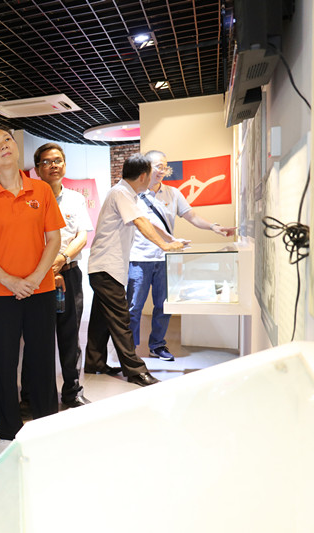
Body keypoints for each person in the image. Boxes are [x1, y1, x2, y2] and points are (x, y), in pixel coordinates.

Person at [0, 126, 64, 456]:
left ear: (15, 147)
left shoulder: (41, 190)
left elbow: (54, 239)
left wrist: (34, 278)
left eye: (7, 139)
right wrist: (10, 281)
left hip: (40, 289)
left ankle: (47, 426)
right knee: (5, 365)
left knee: (42, 361)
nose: (3, 146)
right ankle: (7, 431)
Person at [85, 154, 185, 387]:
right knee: (122, 321)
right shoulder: (121, 193)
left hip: (107, 268)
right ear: (142, 176)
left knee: (101, 320)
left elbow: (147, 222)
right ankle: (135, 370)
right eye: (151, 174)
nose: (153, 178)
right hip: (106, 268)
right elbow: (140, 222)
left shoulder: (128, 195)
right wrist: (165, 246)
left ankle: (95, 362)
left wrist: (170, 239)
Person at [128, 150, 236, 361]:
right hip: (139, 258)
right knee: (134, 306)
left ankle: (157, 345)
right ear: (146, 167)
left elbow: (192, 216)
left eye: (165, 167)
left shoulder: (173, 193)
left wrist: (214, 227)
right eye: (158, 166)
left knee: (164, 305)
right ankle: (129, 350)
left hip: (166, 258)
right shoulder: (134, 194)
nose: (162, 171)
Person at [25, 142, 94, 409]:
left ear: (64, 165)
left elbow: (82, 236)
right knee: (35, 337)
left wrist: (62, 259)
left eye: (57, 161)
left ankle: (72, 391)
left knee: (70, 336)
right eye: (46, 161)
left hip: (69, 274)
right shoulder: (29, 199)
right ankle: (30, 394)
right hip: (36, 276)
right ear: (37, 168)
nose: (53, 165)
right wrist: (46, 268)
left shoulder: (76, 199)